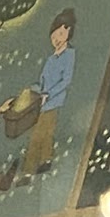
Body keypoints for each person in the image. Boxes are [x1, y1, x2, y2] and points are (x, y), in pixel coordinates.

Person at [24, 10, 78, 186]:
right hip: (42, 102)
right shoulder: (51, 58)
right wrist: (35, 90)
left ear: (69, 33)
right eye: (54, 35)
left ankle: (30, 169)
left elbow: (66, 80)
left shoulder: (69, 55)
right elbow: (42, 80)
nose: (57, 39)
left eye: (61, 34)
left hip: (52, 102)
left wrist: (49, 94)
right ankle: (44, 161)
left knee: (40, 134)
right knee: (44, 133)